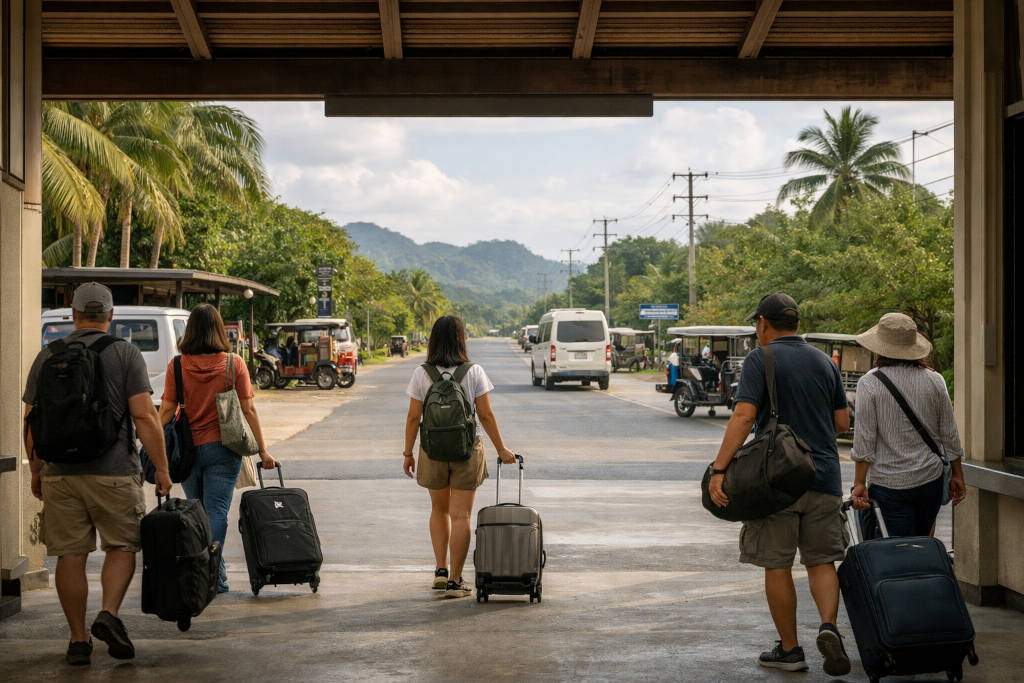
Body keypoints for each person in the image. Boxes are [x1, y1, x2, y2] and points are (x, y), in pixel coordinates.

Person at [22, 282, 171, 666]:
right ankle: (109, 613)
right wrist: (162, 469)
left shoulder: (47, 356)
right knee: (122, 546)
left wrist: (37, 470)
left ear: (72, 315)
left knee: (70, 555)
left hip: (60, 474)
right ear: (111, 315)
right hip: (115, 471)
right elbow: (143, 415)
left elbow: (30, 421)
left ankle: (77, 640)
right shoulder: (125, 353)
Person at [707, 293, 851, 676]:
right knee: (822, 561)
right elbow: (842, 424)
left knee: (778, 564)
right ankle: (829, 627)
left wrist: (719, 469)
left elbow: (743, 416)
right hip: (823, 477)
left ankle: (790, 650)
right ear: (797, 323)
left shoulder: (761, 358)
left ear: (764, 324)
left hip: (777, 482)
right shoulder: (825, 361)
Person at [158, 304, 276, 593]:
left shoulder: (177, 365)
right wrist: (263, 450)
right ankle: (211, 573)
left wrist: (150, 445)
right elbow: (248, 408)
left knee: (196, 513)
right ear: (220, 330)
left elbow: (167, 410)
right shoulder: (233, 364)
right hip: (224, 450)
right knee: (216, 513)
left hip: (185, 452)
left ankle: (212, 576)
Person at [402, 315, 516, 598]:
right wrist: (502, 449)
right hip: (467, 450)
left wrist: (407, 452)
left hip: (432, 450)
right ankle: (455, 580)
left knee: (439, 511)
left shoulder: (422, 373)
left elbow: (414, 417)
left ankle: (440, 571)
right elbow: (486, 415)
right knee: (461, 515)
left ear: (433, 340)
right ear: (460, 339)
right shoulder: (474, 371)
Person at [849, 313, 967, 535]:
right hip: (929, 481)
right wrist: (958, 475)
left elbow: (865, 441)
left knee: (898, 553)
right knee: (921, 546)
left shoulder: (869, 383)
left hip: (887, 483)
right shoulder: (935, 380)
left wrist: (859, 483)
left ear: (880, 346)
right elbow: (950, 434)